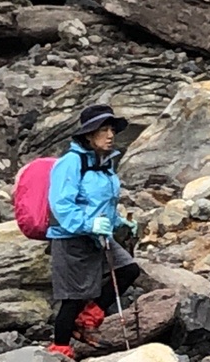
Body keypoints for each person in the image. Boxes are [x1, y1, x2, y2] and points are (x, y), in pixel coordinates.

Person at [45, 104, 138, 358]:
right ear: (88, 134)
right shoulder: (71, 163)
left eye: (112, 130)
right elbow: (61, 204)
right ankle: (60, 350)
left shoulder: (104, 164)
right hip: (71, 238)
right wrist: (89, 224)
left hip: (98, 236)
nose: (110, 135)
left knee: (129, 269)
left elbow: (102, 203)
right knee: (73, 297)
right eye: (103, 130)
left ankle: (87, 320)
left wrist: (119, 223)